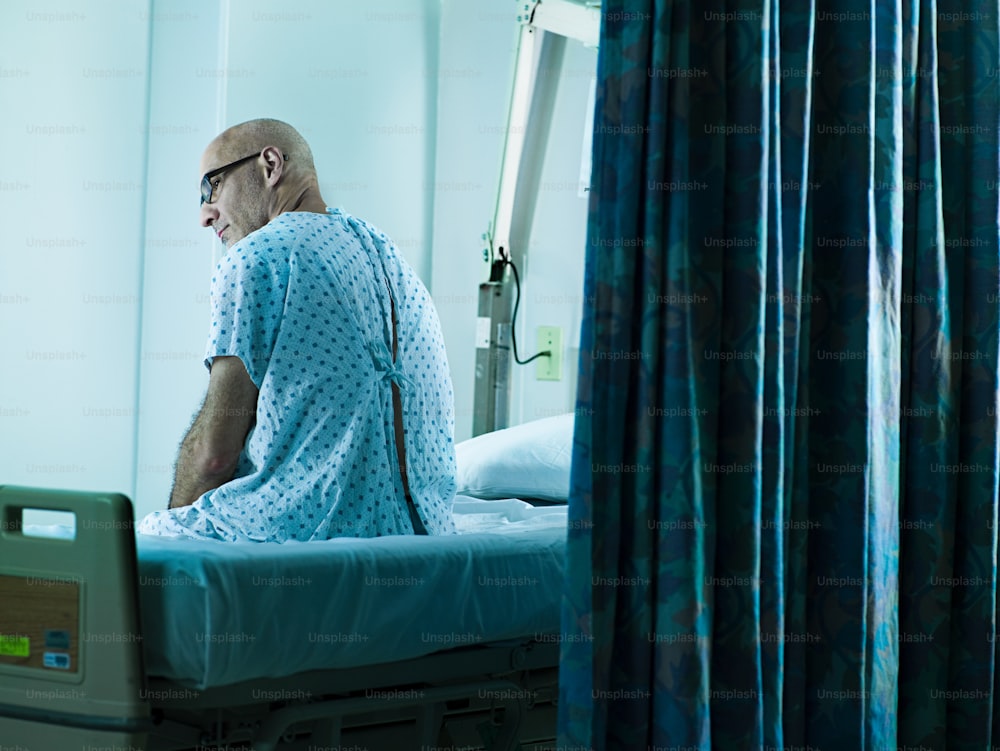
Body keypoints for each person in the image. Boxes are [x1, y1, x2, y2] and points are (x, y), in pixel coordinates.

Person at [138, 118, 457, 541]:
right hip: (425, 534)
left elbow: (213, 457)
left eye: (210, 187)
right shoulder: (388, 256)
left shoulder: (259, 257)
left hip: (304, 535)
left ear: (270, 164)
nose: (204, 215)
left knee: (138, 550)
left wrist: (170, 536)